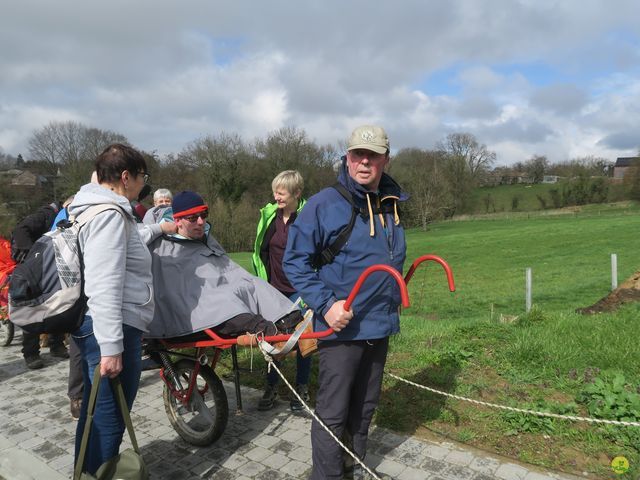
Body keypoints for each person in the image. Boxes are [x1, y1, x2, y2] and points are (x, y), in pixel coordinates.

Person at [283, 125, 408, 479]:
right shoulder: (325, 204)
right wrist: (326, 304)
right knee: (333, 412)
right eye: (358, 154)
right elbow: (295, 261)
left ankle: (353, 467)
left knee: (365, 407)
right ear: (347, 157)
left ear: (386, 158)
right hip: (341, 327)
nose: (364, 161)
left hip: (379, 323)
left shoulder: (391, 203)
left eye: (372, 155)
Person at [68, 143, 176, 475]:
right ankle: (96, 473)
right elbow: (103, 284)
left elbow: (132, 240)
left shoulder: (103, 208)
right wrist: (111, 347)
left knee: (95, 416)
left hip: (104, 326)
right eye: (143, 177)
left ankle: (86, 472)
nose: (144, 184)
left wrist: (158, 228)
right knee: (109, 419)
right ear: (126, 177)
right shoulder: (109, 214)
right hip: (112, 329)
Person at [145, 191, 302, 341]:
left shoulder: (206, 238)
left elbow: (230, 269)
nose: (200, 222)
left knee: (257, 285)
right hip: (198, 307)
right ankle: (272, 334)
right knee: (226, 302)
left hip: (225, 291)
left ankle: (294, 323)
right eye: (193, 218)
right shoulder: (162, 245)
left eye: (203, 215)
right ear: (177, 220)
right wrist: (159, 229)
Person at [252, 170, 311, 411]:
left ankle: (302, 388)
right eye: (275, 190)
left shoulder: (309, 216)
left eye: (282, 192)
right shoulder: (268, 215)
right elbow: (260, 251)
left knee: (303, 340)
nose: (276, 196)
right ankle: (272, 386)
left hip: (301, 288)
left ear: (297, 193)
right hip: (274, 288)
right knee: (273, 338)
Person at [11, 202, 68, 369]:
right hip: (35, 268)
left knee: (58, 305)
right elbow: (20, 230)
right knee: (33, 309)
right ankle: (31, 353)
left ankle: (56, 345)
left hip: (53, 267)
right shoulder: (45, 215)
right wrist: (33, 256)